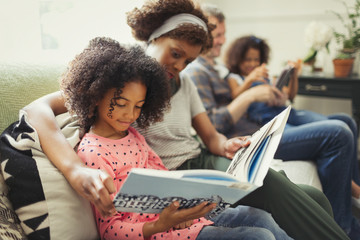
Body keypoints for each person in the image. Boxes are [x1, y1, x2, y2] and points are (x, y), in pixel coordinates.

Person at [21, 0, 349, 239]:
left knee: (313, 196)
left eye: (188, 60)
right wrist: (75, 169)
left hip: (202, 159)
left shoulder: (185, 83)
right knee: (273, 182)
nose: (179, 65)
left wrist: (228, 144)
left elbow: (211, 138)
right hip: (175, 175)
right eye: (174, 53)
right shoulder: (121, 80)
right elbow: (36, 111)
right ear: (152, 39)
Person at [64, 36, 292, 240]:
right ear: (94, 96)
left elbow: (163, 174)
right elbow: (109, 231)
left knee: (260, 218)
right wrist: (160, 224)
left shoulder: (132, 135)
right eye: (122, 104)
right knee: (258, 236)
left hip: (181, 219)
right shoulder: (92, 153)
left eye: (139, 107)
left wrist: (183, 202)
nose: (131, 115)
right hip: (160, 232)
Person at [181, 3, 360, 239]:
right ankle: (345, 224)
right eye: (217, 34)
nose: (222, 41)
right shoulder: (195, 72)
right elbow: (214, 124)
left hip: (251, 128)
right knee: (337, 132)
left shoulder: (217, 69)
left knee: (345, 121)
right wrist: (251, 94)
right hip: (247, 132)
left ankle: (347, 200)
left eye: (224, 34)